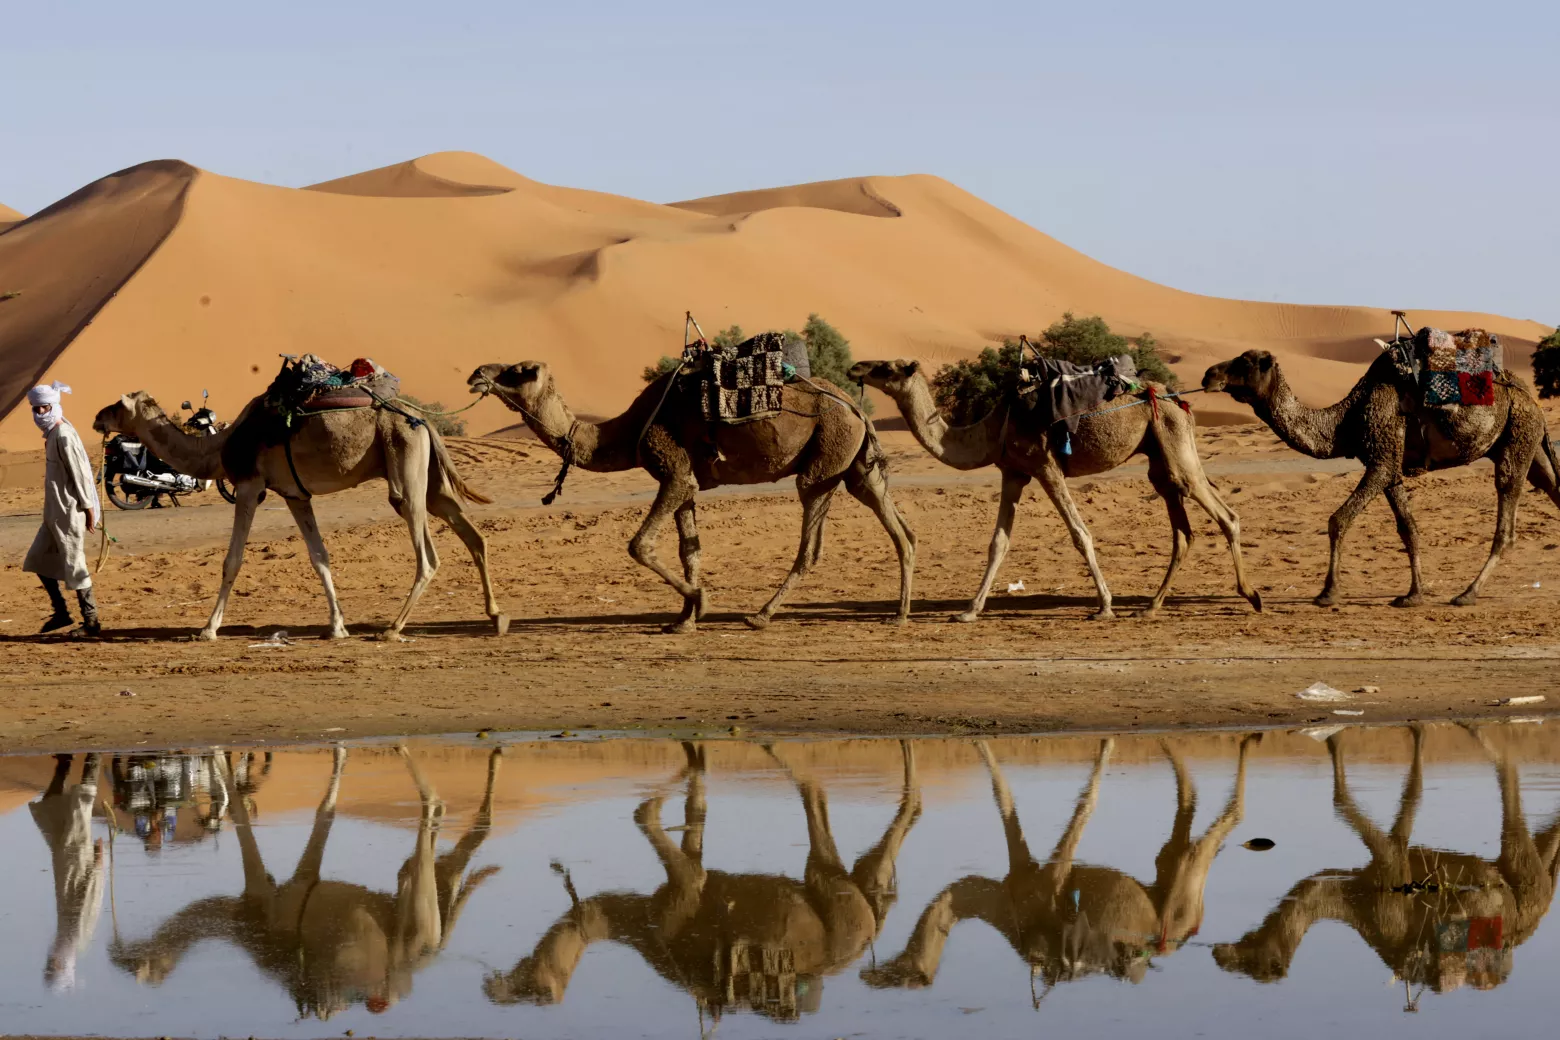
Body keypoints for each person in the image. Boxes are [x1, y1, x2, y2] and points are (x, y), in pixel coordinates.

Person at [23, 381, 102, 635]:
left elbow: (80, 475)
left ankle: (91, 622)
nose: (40, 414)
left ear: (54, 406)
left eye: (44, 408)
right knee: (36, 559)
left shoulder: (63, 435)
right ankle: (61, 613)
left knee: (76, 565)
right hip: (53, 514)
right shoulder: (53, 435)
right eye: (36, 409)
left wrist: (89, 508)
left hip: (70, 512)